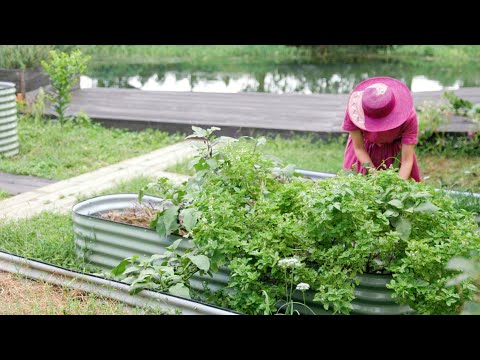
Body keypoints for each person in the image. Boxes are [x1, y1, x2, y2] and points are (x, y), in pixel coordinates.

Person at [342, 76, 421, 181]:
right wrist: (375, 176)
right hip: (364, 151)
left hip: (395, 153)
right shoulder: (354, 111)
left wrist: (397, 187)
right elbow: (359, 148)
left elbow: (406, 161)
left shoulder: (408, 116)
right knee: (359, 187)